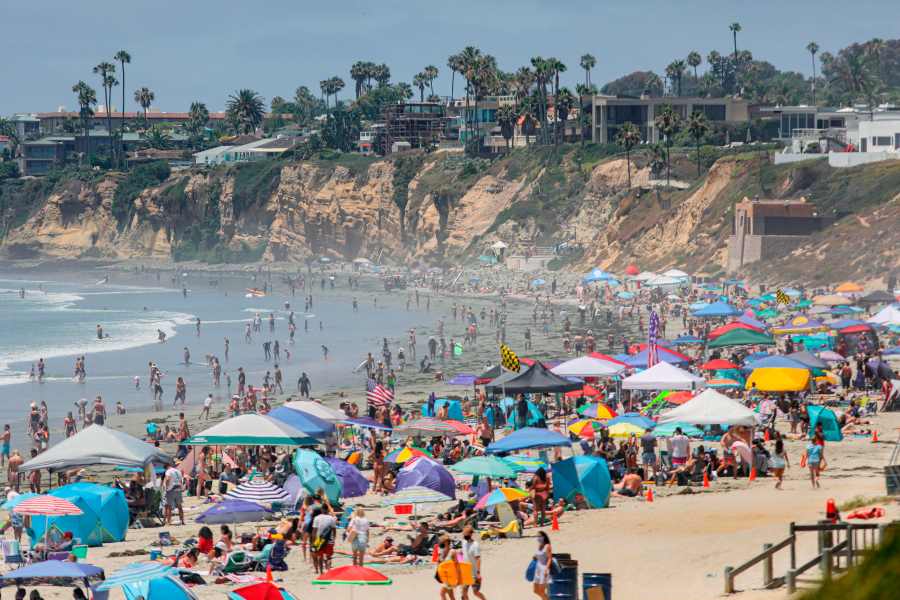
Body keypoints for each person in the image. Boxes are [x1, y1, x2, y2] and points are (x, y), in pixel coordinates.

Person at [461, 525, 486, 600]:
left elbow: (478, 559)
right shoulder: (463, 542)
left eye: (466, 534)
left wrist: (478, 573)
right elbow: (463, 554)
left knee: (475, 592)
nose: (464, 536)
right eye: (464, 534)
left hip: (474, 574)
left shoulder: (475, 545)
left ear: (471, 534)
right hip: (466, 573)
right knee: (463, 592)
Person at [532, 531, 553, 600]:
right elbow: (538, 556)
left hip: (544, 569)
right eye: (537, 536)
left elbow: (550, 558)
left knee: (541, 591)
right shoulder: (539, 546)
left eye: (540, 536)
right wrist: (535, 557)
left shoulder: (547, 546)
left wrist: (546, 569)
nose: (538, 538)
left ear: (544, 537)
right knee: (535, 590)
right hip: (538, 569)